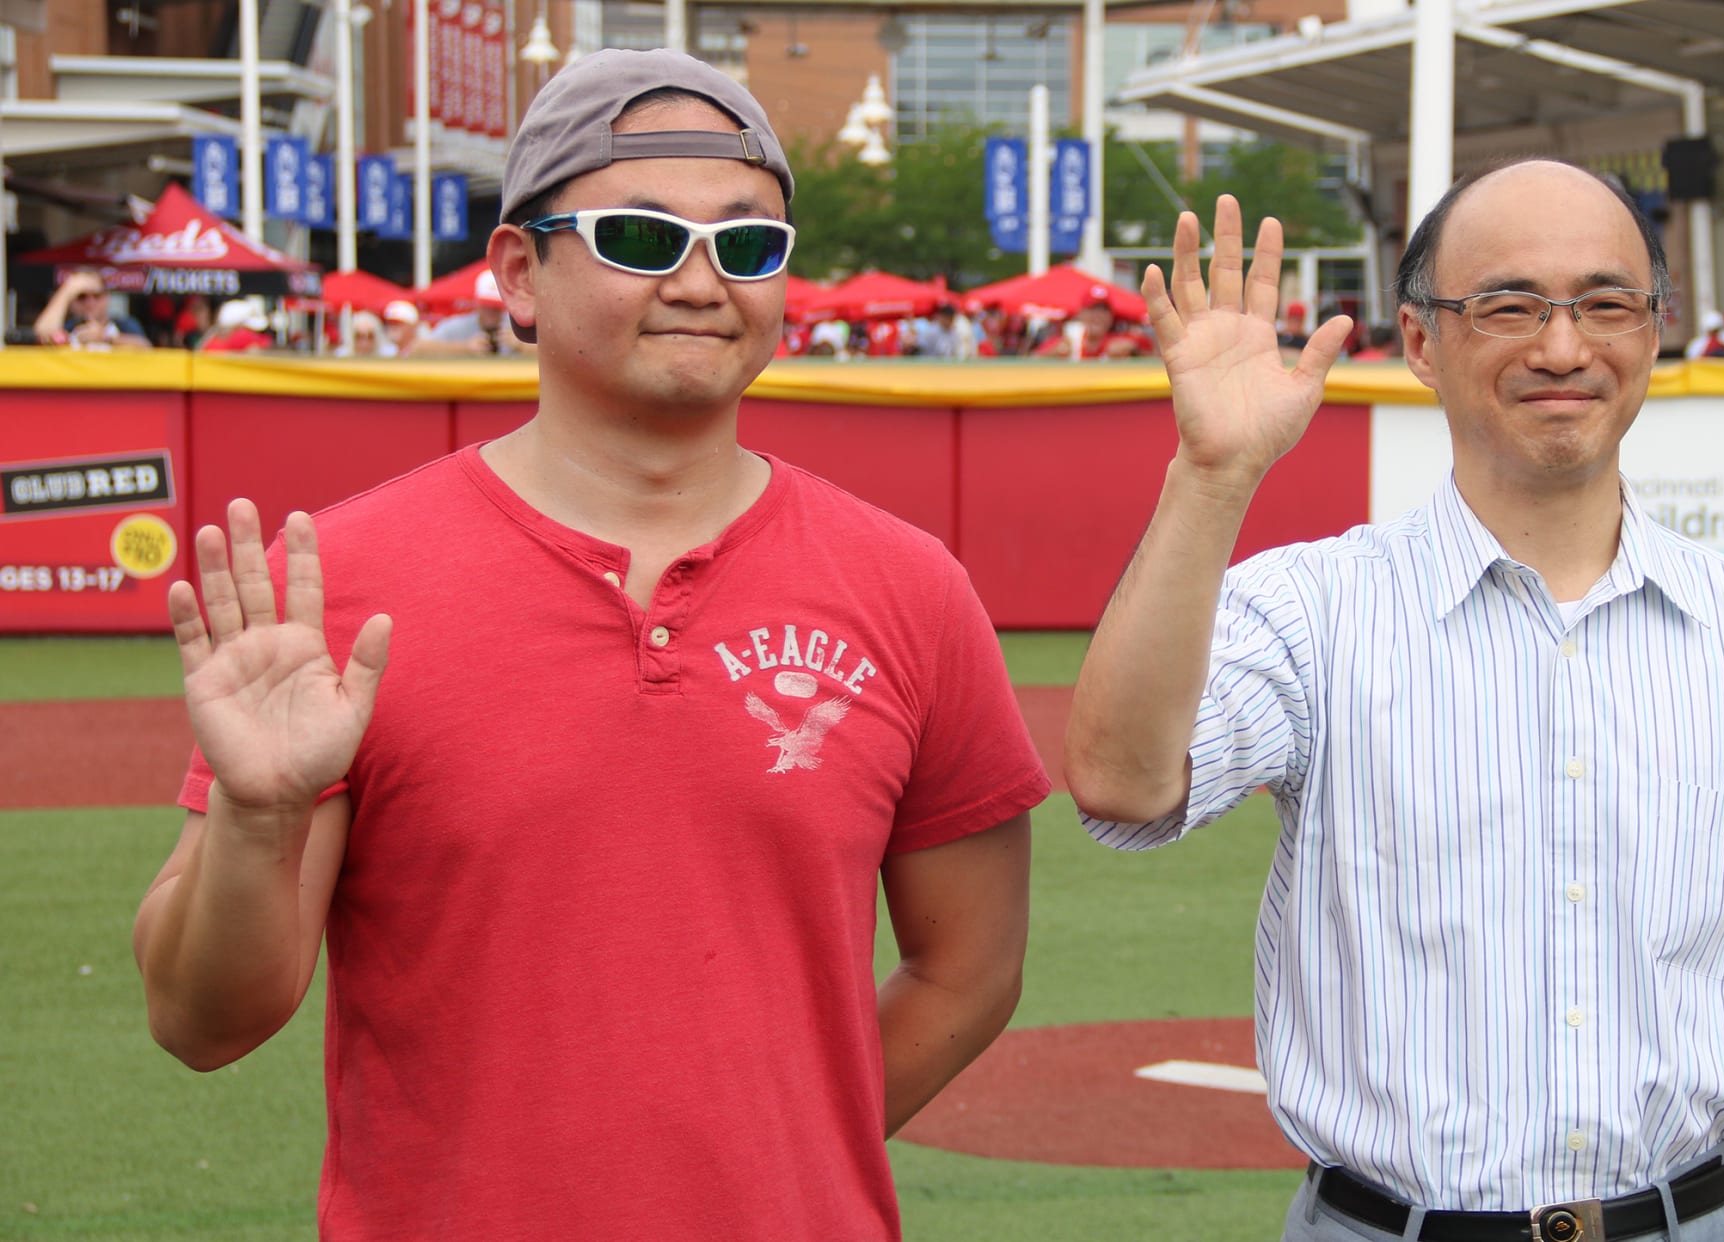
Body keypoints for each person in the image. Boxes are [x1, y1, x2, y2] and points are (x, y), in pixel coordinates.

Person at [133, 47, 1048, 1241]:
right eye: (643, 238)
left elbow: (969, 968)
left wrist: (773, 1159)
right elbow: (201, 1022)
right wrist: (258, 822)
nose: (702, 281)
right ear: (519, 271)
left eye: (748, 244)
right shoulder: (344, 588)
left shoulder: (910, 587)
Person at [1064, 166, 1724, 1242]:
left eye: (1606, 303)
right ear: (1421, 340)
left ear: (1655, 329)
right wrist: (1211, 475)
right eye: (1509, 306)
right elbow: (1123, 782)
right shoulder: (1313, 610)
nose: (1564, 348)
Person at [414, 268, 529, 355]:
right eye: (487, 306)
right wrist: (465, 348)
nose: (491, 312)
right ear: (477, 305)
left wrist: (520, 346)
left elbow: (541, 349)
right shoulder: (459, 326)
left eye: (496, 308)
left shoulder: (518, 326)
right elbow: (418, 349)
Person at [33, 270, 151, 350]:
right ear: (72, 302)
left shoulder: (124, 325)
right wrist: (67, 290)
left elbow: (146, 347)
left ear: (107, 297)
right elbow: (42, 333)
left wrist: (105, 337)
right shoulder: (68, 328)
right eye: (82, 297)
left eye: (96, 296)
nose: (90, 303)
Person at [1036, 296, 1150, 360]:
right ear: (1080, 314)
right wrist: (1052, 354)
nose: (1098, 316)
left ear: (1111, 317)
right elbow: (1031, 362)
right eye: (1092, 309)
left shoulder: (1121, 340)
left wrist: (1134, 350)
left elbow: (1153, 358)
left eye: (1103, 311)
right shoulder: (1065, 342)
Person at [197, 301, 272, 353]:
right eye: (245, 328)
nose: (250, 332)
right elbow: (267, 344)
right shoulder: (241, 336)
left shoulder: (211, 341)